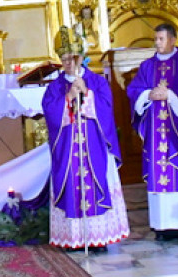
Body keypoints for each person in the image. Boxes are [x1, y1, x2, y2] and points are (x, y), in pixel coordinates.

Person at [42, 26, 129, 250]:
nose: (67, 63)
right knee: (72, 184)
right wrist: (69, 97)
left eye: (71, 58)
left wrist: (87, 96)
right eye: (63, 58)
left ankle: (97, 238)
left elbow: (107, 110)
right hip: (69, 149)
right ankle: (75, 238)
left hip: (94, 146)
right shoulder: (55, 87)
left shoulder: (98, 82)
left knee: (95, 181)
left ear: (80, 57)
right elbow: (50, 113)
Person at [127, 23, 178, 244]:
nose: (157, 43)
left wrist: (170, 95)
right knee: (159, 172)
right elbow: (134, 90)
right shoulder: (147, 66)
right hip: (156, 131)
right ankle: (162, 226)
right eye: (156, 39)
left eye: (161, 39)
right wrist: (147, 95)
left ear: (173, 40)